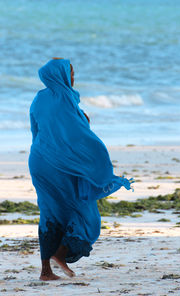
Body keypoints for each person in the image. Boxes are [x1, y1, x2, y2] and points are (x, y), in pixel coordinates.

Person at [28, 58, 133, 281]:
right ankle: (61, 253)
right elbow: (77, 135)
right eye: (70, 72)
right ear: (60, 75)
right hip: (61, 164)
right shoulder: (66, 98)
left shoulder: (39, 98)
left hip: (39, 160)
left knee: (49, 211)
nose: (73, 77)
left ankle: (46, 271)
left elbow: (36, 131)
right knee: (84, 214)